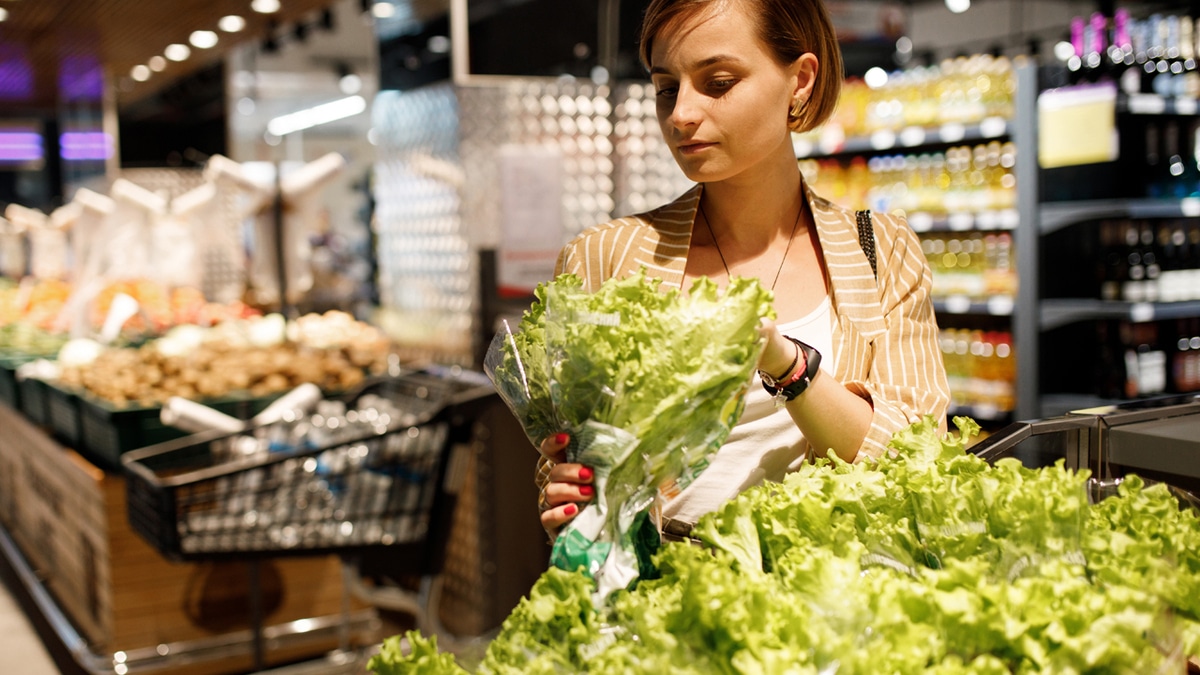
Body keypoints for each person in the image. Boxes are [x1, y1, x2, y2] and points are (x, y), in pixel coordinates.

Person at [536, 0, 951, 538]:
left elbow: (920, 463)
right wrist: (567, 497)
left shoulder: (882, 251)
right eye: (666, 88)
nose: (682, 112)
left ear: (800, 80)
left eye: (719, 82)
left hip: (830, 603)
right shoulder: (602, 258)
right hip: (653, 609)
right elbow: (563, 468)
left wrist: (788, 366)